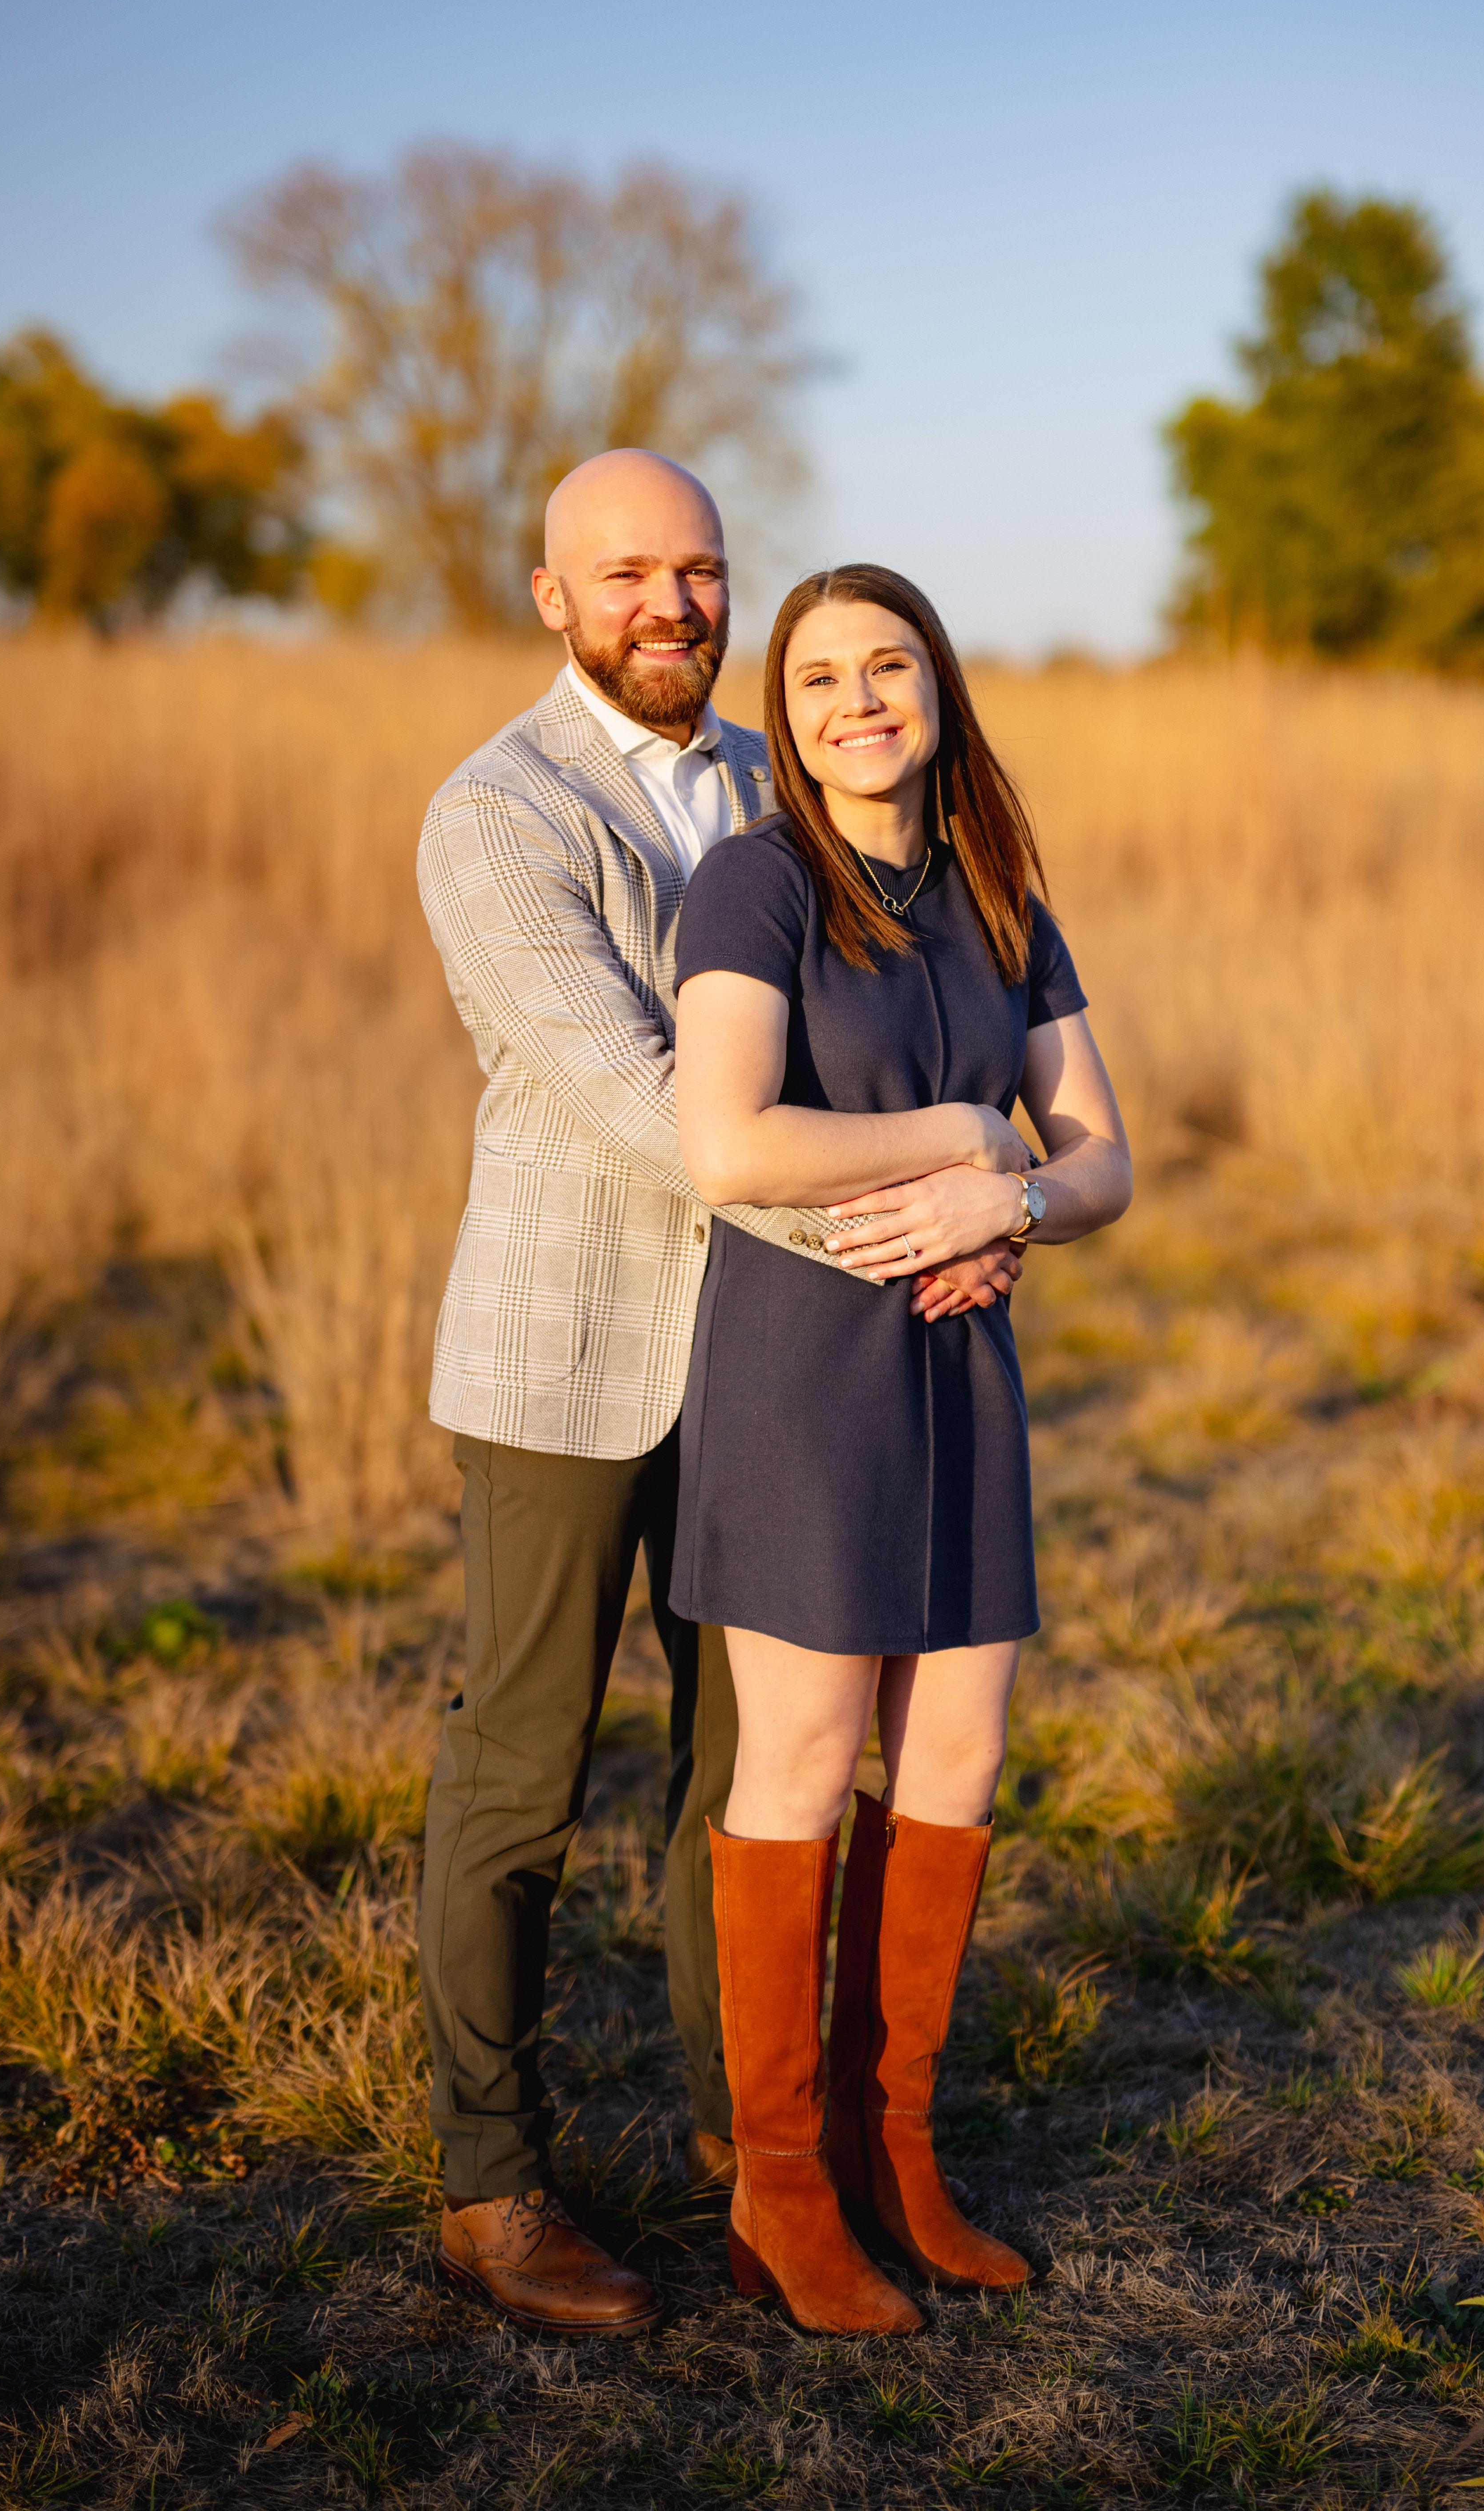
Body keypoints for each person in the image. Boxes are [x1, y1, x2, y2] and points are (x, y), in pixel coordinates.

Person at [412, 457, 1024, 2337]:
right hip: (576, 1355)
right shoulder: (500, 814)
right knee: (525, 1769)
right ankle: (492, 2179)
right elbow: (658, 1110)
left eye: (697, 570)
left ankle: (744, 2144)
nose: (669, 605)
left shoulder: (789, 781)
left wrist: (991, 1202)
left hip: (777, 1366)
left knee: (751, 1761)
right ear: (552, 597)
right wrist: (945, 1191)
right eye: (624, 575)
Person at [672, 561, 1133, 2336]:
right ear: (785, 723)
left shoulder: (999, 891)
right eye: (817, 681)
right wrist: (964, 1136)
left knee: (955, 1750)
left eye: (887, 667)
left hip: (963, 1371)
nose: (857, 701)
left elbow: (1101, 1157)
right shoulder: (758, 883)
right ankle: (780, 2186)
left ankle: (896, 2151)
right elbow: (729, 1143)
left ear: (938, 687)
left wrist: (1020, 1197)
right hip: (805, 1372)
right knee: (798, 1762)